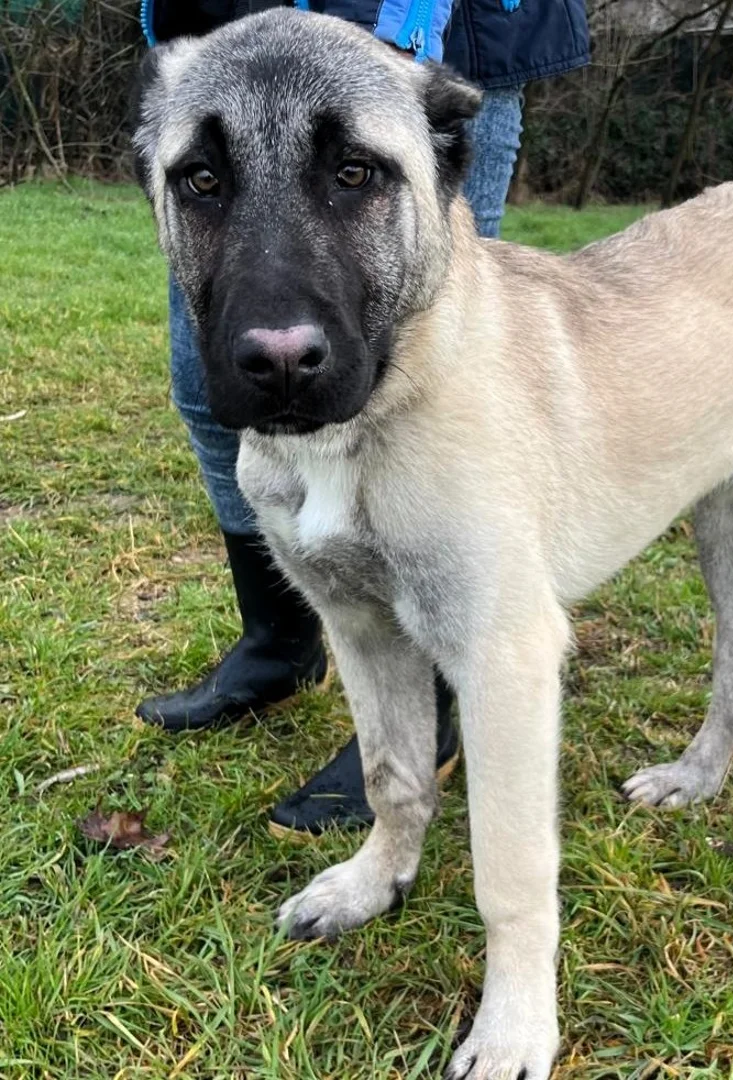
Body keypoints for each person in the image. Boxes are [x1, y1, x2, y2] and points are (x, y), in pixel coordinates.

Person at [136, 0, 590, 834]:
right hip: (222, 40)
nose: (281, 340)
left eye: (354, 180)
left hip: (428, 43)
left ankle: (447, 687)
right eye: (199, 184)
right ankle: (283, 640)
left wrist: (409, 20)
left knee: (437, 410)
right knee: (206, 390)